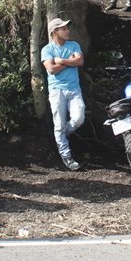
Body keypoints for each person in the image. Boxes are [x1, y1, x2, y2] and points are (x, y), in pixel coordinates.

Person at [41, 17, 85, 171]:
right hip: (56, 91)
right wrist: (69, 62)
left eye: (67, 28)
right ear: (55, 32)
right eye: (64, 29)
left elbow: (80, 62)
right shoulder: (47, 50)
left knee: (79, 119)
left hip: (74, 89)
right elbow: (51, 69)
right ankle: (66, 155)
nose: (68, 31)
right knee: (59, 123)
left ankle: (61, 134)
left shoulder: (74, 45)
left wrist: (61, 61)